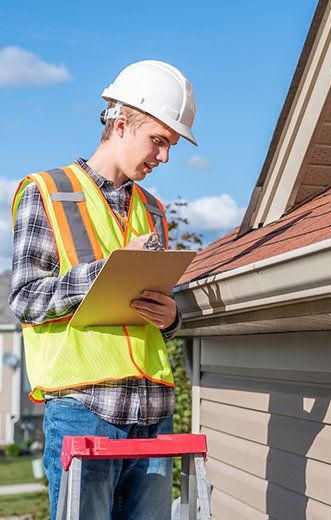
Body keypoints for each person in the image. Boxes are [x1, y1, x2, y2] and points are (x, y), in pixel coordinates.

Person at [9, 60, 197, 520]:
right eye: (159, 141)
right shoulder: (46, 192)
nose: (164, 157)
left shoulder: (153, 211)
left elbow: (152, 317)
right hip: (85, 408)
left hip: (153, 410)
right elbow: (26, 299)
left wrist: (171, 318)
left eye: (171, 146)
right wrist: (104, 271)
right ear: (120, 124)